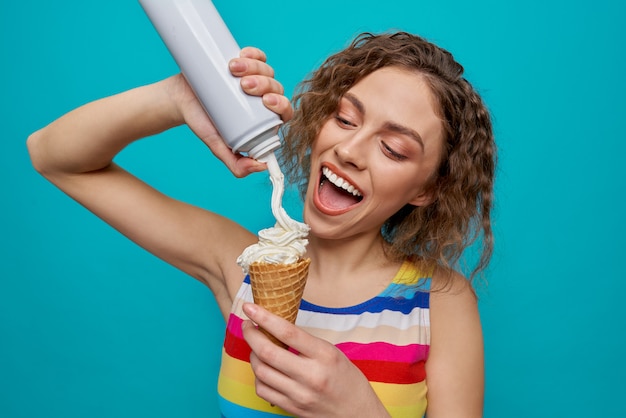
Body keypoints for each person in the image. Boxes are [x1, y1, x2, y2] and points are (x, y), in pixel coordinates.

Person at [27, 31, 496, 417]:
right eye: (346, 118)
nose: (349, 151)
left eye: (393, 149)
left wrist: (357, 410)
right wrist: (178, 97)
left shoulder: (438, 304)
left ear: (426, 190)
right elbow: (55, 158)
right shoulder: (240, 266)